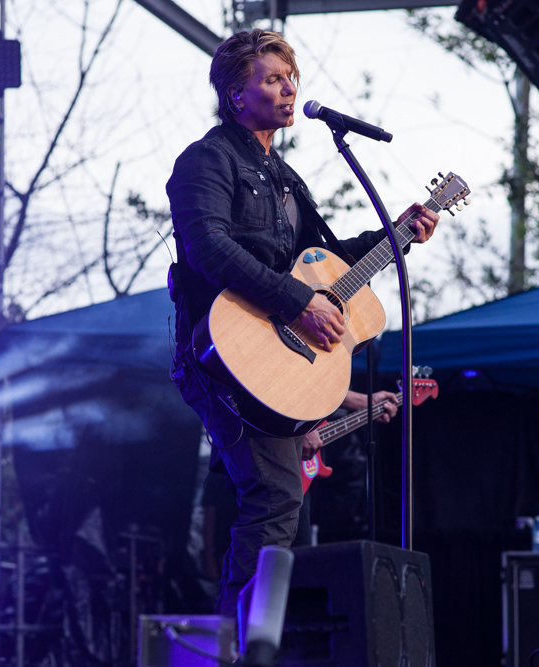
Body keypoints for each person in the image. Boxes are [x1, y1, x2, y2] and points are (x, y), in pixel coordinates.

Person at [166, 28, 439, 616]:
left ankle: (254, 637)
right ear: (236, 94)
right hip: (217, 356)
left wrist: (397, 233)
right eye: (273, 79)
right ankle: (239, 645)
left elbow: (332, 264)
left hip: (270, 355)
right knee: (274, 498)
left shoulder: (286, 179)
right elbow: (210, 248)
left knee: (281, 505)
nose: (290, 89)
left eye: (292, 78)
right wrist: (295, 302)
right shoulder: (205, 162)